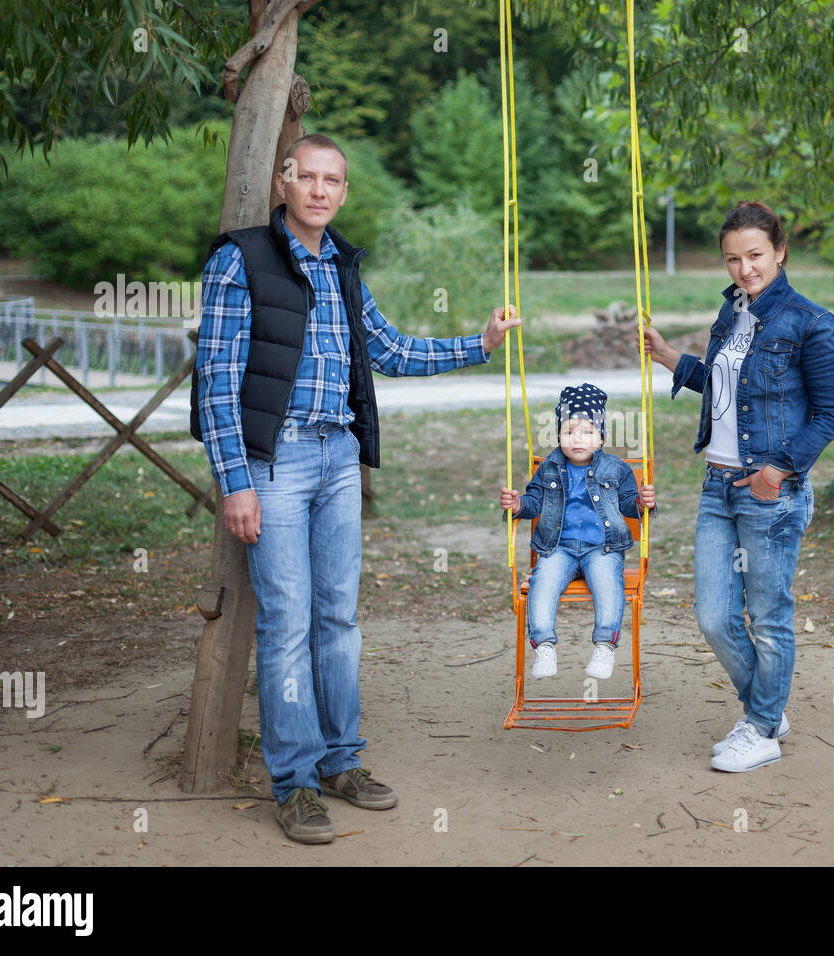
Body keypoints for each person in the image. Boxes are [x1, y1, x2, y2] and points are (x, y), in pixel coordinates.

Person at [191, 133, 520, 844]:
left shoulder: (343, 266)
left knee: (338, 618)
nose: (317, 190)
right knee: (287, 622)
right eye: (305, 177)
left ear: (343, 192)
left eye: (331, 180)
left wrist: (480, 345)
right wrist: (235, 482)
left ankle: (343, 761)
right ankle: (296, 783)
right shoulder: (239, 261)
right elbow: (215, 382)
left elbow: (391, 350)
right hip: (273, 465)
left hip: (339, 460)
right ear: (283, 184)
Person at [643, 200, 834, 773]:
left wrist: (778, 470)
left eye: (755, 255)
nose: (744, 269)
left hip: (768, 491)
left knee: (769, 614)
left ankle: (761, 729)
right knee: (714, 615)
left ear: (780, 252)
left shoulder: (810, 321)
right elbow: (726, 386)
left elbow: (830, 414)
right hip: (717, 485)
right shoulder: (732, 314)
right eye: (733, 259)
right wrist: (668, 358)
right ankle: (766, 709)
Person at [499, 384, 656, 681]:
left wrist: (641, 502)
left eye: (586, 431)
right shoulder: (548, 468)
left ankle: (604, 646)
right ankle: (543, 645)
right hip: (558, 547)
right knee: (542, 581)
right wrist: (518, 504)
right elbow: (533, 503)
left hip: (603, 549)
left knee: (608, 583)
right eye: (569, 431)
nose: (577, 439)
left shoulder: (616, 469)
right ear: (558, 435)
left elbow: (628, 504)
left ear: (600, 436)